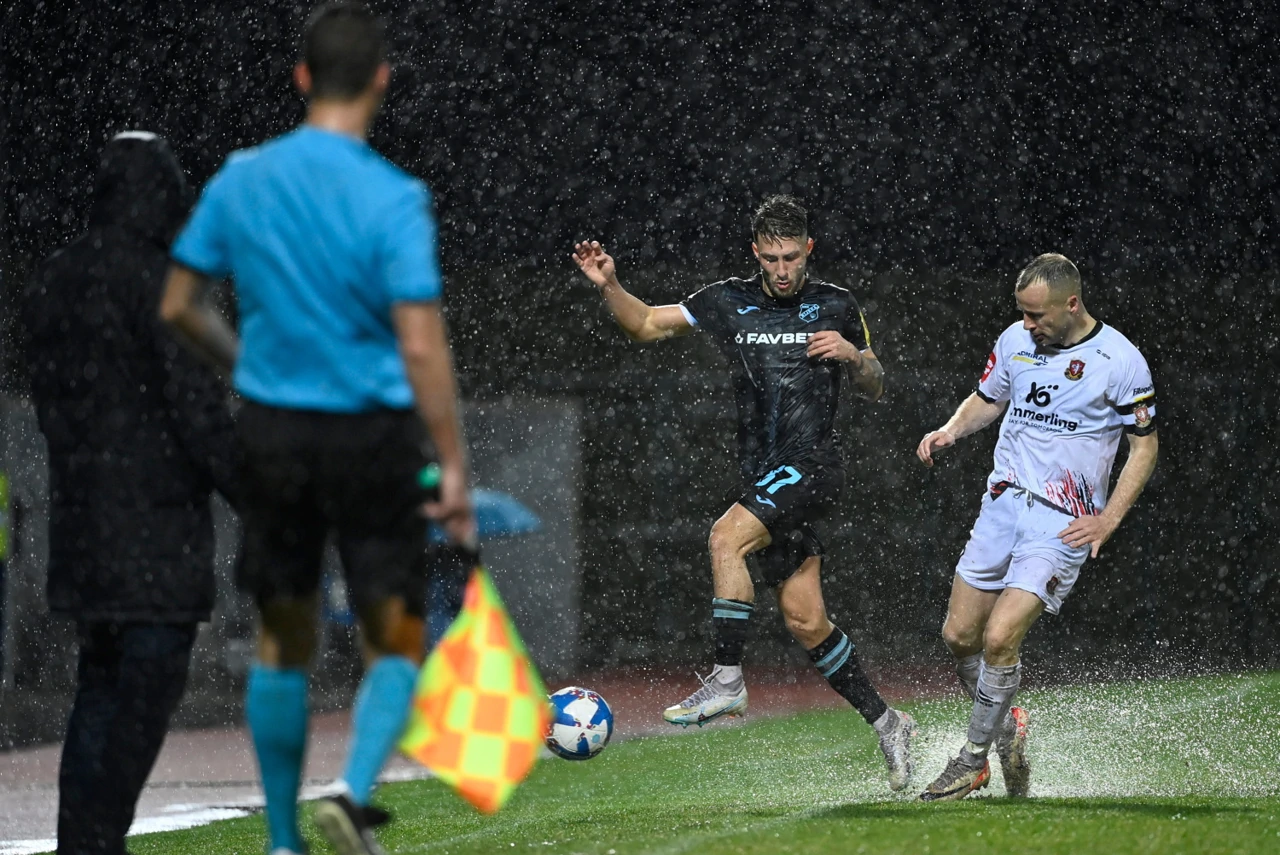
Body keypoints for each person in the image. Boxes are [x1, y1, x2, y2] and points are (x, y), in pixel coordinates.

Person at [159, 4, 474, 854]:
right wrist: (450, 464)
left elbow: (179, 304)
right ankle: (352, 786)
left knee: (282, 633)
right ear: (381, 81)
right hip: (371, 435)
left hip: (274, 432)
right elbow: (418, 339)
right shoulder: (395, 196)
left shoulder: (241, 178)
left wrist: (247, 369)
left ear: (301, 79)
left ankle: (283, 839)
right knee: (397, 632)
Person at [571, 194, 916, 792]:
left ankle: (727, 682)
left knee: (725, 537)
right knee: (807, 620)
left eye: (793, 258)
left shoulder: (836, 303)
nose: (783, 270)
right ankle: (890, 724)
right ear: (755, 254)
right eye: (772, 259)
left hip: (811, 465)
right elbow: (647, 323)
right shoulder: (728, 300)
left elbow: (878, 384)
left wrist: (855, 355)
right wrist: (610, 284)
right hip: (764, 474)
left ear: (809, 250)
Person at [21, 130, 240, 855]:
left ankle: (82, 840)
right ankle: (94, 842)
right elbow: (199, 413)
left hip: (84, 529)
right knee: (141, 701)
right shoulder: (163, 283)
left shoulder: (56, 278)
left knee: (99, 690)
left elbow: (54, 403)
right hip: (158, 537)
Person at [914, 253, 1159, 801]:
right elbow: (988, 399)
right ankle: (1007, 730)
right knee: (960, 636)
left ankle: (972, 760)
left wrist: (1108, 519)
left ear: (1071, 304)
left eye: (1037, 316)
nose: (1028, 325)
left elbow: (1145, 446)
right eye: (1022, 314)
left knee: (1001, 638)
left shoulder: (1119, 360)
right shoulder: (1015, 341)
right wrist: (951, 431)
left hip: (1062, 522)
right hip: (1002, 506)